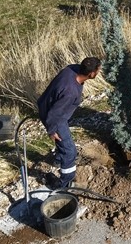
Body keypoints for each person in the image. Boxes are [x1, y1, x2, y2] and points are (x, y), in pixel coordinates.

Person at [37, 57, 102, 188]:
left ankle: (59, 160)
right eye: (98, 70)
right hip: (54, 118)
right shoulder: (70, 92)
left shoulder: (70, 69)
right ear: (91, 74)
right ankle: (64, 183)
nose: (100, 72)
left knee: (64, 146)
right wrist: (51, 130)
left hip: (46, 104)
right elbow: (54, 114)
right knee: (70, 151)